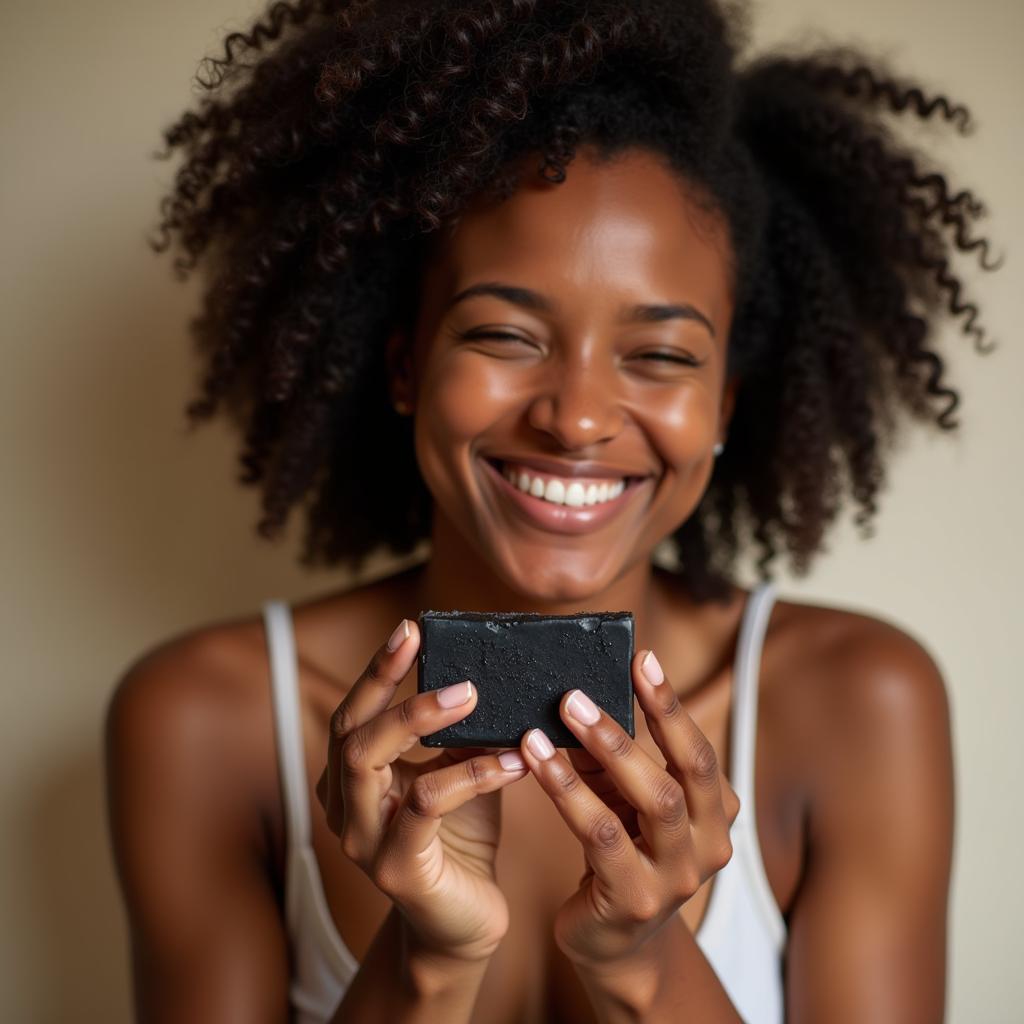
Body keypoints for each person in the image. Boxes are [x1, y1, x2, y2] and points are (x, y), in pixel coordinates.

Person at [104, 0, 997, 1020]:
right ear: (405, 363)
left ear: (724, 406)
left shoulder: (855, 704)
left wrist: (642, 960)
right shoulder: (209, 719)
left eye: (660, 355)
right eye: (504, 335)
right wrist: (431, 961)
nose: (575, 418)